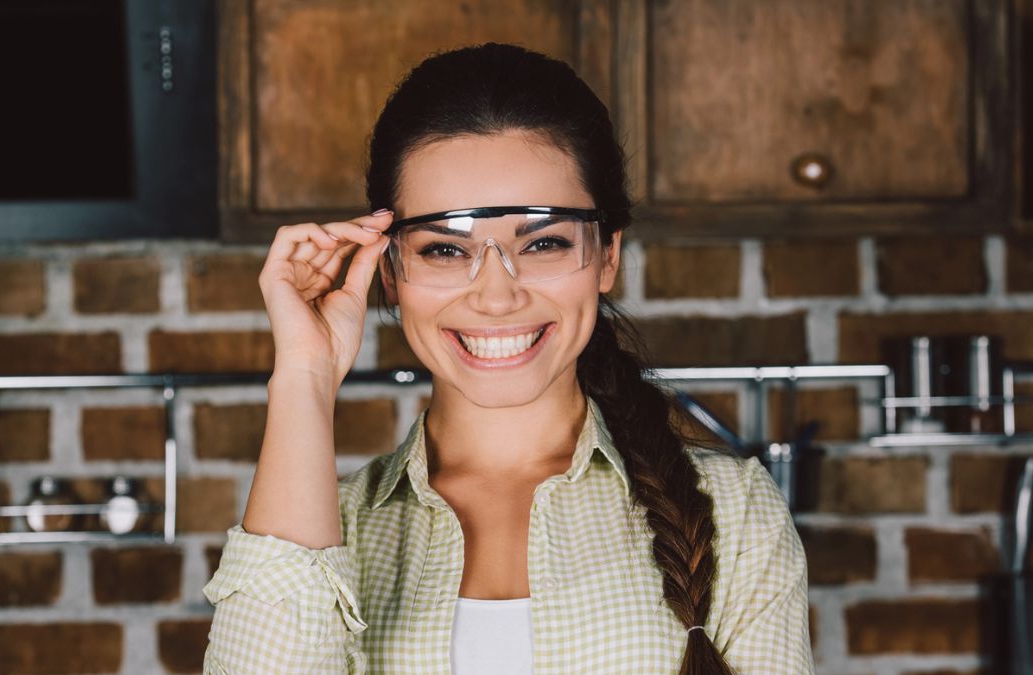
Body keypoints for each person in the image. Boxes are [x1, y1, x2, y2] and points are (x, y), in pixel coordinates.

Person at [202, 42, 812, 674]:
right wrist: (305, 373)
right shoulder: (329, 530)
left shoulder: (733, 513)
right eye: (444, 250)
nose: (496, 295)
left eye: (544, 242)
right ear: (389, 271)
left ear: (607, 256)